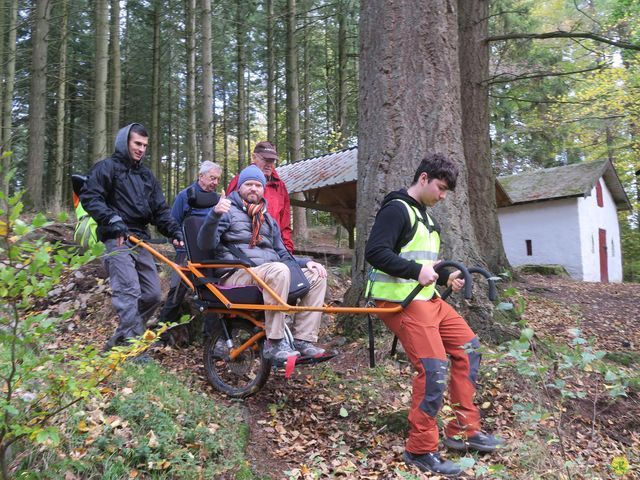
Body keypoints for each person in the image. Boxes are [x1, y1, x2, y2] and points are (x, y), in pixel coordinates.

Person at [364, 153, 505, 476]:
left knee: (469, 350)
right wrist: (416, 271)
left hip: (427, 300)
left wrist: (446, 278)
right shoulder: (396, 210)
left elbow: (426, 264)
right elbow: (375, 252)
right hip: (399, 302)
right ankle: (420, 449)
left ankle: (463, 431)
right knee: (432, 369)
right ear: (424, 178)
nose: (443, 197)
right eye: (441, 189)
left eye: (446, 192)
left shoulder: (428, 219)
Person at [198, 165, 326, 363]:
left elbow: (282, 253)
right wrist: (214, 215)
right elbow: (204, 245)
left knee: (317, 276)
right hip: (236, 273)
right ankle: (274, 342)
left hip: (270, 272)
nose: (253, 189)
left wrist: (305, 262)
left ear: (263, 189)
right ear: (239, 187)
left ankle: (303, 339)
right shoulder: (226, 210)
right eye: (248, 184)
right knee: (279, 270)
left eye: (258, 185)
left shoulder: (267, 219)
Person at [80, 123, 184, 352]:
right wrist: (111, 219)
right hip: (116, 238)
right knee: (128, 292)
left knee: (153, 294)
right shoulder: (106, 168)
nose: (141, 149)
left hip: (140, 238)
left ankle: (119, 342)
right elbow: (90, 196)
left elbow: (160, 210)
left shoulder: (146, 176)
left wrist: (175, 231)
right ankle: (133, 350)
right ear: (124, 141)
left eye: (145, 145)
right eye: (137, 143)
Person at [156, 161, 222, 325]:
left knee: (213, 292)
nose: (215, 182)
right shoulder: (185, 196)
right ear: (201, 176)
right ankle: (161, 334)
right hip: (186, 253)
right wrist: (178, 243)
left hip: (210, 253)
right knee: (176, 291)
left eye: (218, 179)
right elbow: (172, 224)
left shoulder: (218, 200)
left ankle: (211, 338)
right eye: (212, 178)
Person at [226, 141, 294, 253]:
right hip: (246, 248)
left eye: (272, 161)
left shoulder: (280, 186)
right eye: (265, 160)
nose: (269, 164)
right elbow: (228, 216)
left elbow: (285, 224)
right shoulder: (240, 182)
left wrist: (287, 251)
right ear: (254, 157)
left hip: (275, 248)